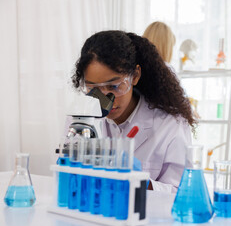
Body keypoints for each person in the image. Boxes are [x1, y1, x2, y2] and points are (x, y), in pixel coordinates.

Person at [71, 30, 195, 193]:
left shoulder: (170, 124)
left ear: (135, 76)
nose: (104, 100)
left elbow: (182, 191)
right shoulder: (83, 118)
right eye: (93, 89)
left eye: (114, 86)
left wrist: (142, 182)